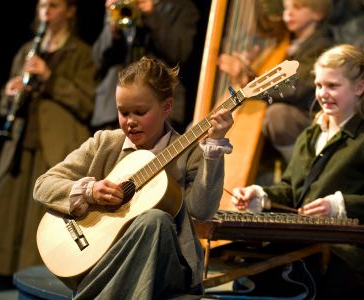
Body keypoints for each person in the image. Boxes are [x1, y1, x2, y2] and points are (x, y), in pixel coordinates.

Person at [33, 56, 234, 299]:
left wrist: (214, 148)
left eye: (140, 112)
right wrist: (89, 191)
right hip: (103, 260)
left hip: (169, 264)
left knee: (154, 220)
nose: (130, 122)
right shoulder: (105, 143)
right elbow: (43, 185)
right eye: (123, 112)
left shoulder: (190, 153)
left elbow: (202, 211)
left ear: (167, 107)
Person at [0, 0, 97, 277]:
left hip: (55, 149)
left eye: (53, 6)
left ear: (70, 11)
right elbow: (4, 106)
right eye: (41, 6)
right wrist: (10, 93)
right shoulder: (27, 50)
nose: (45, 13)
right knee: (8, 219)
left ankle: (39, 279)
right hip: (20, 147)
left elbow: (87, 103)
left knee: (40, 221)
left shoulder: (81, 53)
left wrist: (49, 77)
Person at [231, 44, 364, 299]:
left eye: (332, 86)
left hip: (345, 253)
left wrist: (339, 206)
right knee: (247, 271)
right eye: (319, 85)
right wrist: (261, 196)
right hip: (303, 243)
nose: (323, 93)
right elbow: (291, 190)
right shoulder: (310, 136)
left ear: (359, 88)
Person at [218, 0, 334, 162]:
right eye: (286, 8)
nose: (288, 13)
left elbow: (295, 87)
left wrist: (250, 80)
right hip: (294, 110)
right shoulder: (289, 44)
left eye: (297, 8)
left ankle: (304, 168)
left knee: (278, 116)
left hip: (310, 116)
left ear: (318, 13)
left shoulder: (321, 45)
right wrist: (248, 69)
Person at [90, 0, 199, 133]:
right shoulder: (120, 4)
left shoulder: (182, 7)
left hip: (157, 109)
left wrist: (152, 15)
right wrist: (113, 29)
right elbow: (98, 58)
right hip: (112, 110)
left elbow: (180, 52)